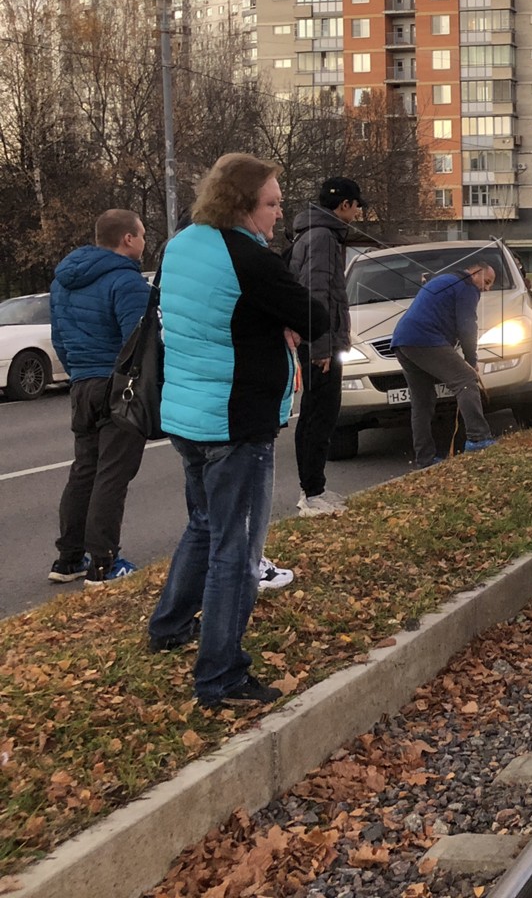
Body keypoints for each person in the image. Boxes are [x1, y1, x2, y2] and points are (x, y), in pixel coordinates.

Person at [147, 154, 328, 710]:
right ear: (242, 206)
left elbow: (209, 316)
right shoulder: (249, 259)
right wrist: (285, 323)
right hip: (236, 424)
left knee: (203, 524)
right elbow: (317, 315)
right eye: (271, 204)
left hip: (186, 416)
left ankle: (169, 627)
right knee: (237, 550)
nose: (278, 215)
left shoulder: (180, 245)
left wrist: (269, 322)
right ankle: (220, 675)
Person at [47, 210, 151, 586]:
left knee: (84, 470)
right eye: (142, 235)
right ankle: (104, 562)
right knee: (113, 473)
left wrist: (78, 371)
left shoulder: (62, 282)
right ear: (127, 238)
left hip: (81, 383)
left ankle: (67, 559)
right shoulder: (127, 282)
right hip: (117, 385)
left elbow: (58, 337)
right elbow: (138, 343)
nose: (144, 242)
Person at [288, 176, 364, 517]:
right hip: (320, 344)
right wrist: (321, 347)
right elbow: (315, 294)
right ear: (344, 204)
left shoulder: (321, 233)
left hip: (324, 340)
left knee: (319, 414)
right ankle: (312, 493)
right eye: (357, 204)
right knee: (320, 415)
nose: (359, 211)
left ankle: (314, 487)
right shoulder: (321, 236)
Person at [390, 259, 497, 466]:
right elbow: (467, 326)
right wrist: (471, 360)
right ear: (475, 273)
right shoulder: (466, 286)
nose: (486, 288)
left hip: (402, 342)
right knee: (465, 379)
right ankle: (478, 438)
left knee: (422, 401)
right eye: (487, 281)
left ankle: (425, 458)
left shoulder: (445, 280)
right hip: (425, 339)